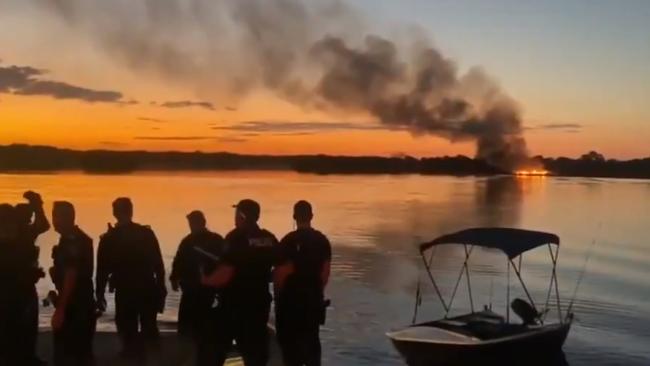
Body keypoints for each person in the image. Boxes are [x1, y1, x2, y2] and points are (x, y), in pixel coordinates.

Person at [200, 199, 279, 366]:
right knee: (256, 355)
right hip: (259, 306)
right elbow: (281, 267)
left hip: (233, 307)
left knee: (214, 352)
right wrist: (263, 276)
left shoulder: (235, 238)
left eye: (237, 213)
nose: (234, 217)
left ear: (242, 216)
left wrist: (206, 280)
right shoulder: (269, 238)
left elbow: (225, 274)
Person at [96, 197, 167, 360]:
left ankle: (134, 354)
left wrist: (99, 294)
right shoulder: (146, 233)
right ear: (131, 211)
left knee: (128, 330)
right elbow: (159, 264)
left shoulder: (109, 239)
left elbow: (102, 270)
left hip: (126, 290)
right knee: (148, 329)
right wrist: (161, 287)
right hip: (147, 287)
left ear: (114, 213)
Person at [274, 200, 332, 366]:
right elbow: (325, 274)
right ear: (311, 216)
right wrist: (316, 292)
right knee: (313, 344)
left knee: (291, 351)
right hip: (313, 302)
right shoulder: (322, 241)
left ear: (294, 217)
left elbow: (281, 275)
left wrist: (279, 299)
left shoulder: (287, 241)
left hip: (290, 304)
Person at [0, 192, 50, 366]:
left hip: (24, 289)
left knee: (27, 326)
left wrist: (38, 206)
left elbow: (43, 225)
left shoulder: (25, 234)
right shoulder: (22, 235)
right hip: (7, 290)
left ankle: (27, 357)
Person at [50, 201, 96, 366]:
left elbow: (71, 274)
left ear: (64, 218)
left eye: (55, 215)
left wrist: (61, 309)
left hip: (76, 306)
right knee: (82, 353)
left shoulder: (73, 241)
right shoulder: (73, 239)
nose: (53, 220)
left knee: (70, 355)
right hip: (79, 303)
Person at [170, 210, 224, 339]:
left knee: (203, 320)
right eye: (190, 223)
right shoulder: (187, 241)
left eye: (193, 223)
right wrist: (174, 278)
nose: (192, 226)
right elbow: (178, 261)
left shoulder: (215, 240)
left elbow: (225, 262)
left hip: (208, 289)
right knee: (186, 322)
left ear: (202, 223)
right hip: (190, 288)